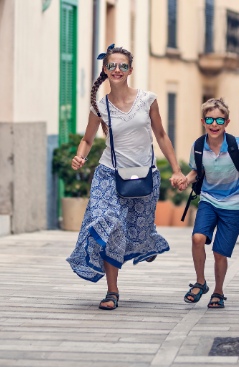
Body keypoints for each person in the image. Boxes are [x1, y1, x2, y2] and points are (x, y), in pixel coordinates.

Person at [66, 45, 185, 311]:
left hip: (144, 175)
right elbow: (87, 139)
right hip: (109, 174)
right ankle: (112, 291)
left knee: (137, 230)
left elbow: (162, 135)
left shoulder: (147, 99)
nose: (117, 70)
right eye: (112, 66)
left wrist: (176, 170)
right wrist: (80, 156)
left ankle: (146, 243)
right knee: (108, 225)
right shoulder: (99, 105)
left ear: (130, 70)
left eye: (122, 66)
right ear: (105, 70)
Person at [173, 98, 239, 309]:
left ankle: (218, 292)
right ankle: (200, 282)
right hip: (209, 200)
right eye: (210, 119)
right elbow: (196, 172)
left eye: (219, 120)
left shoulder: (237, 145)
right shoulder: (198, 146)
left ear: (227, 122)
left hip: (234, 204)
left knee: (219, 253)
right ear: (203, 121)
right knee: (197, 237)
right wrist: (186, 180)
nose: (214, 124)